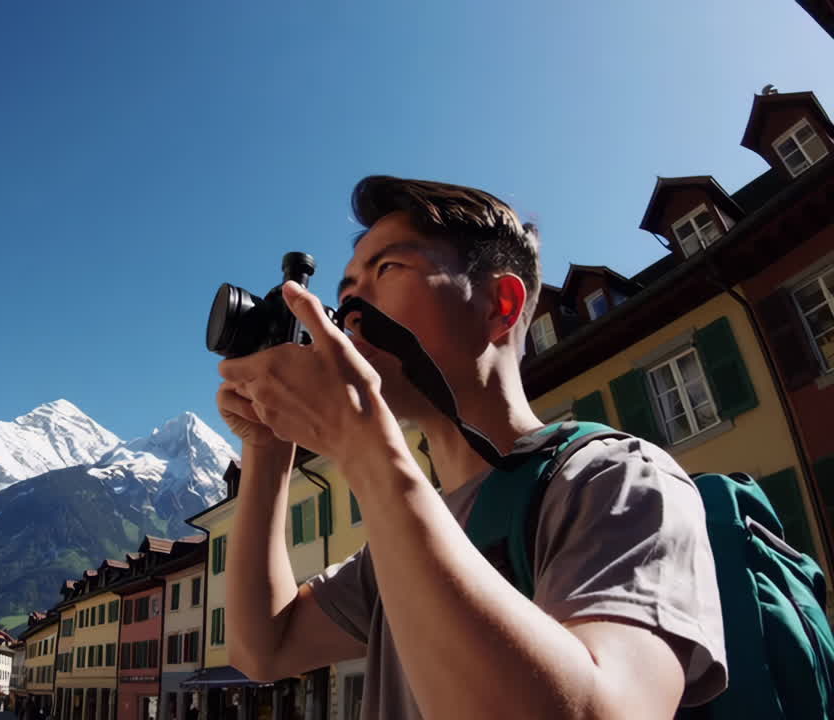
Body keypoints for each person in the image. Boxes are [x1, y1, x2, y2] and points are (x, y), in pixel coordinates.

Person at [217, 176, 727, 719]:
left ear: (499, 305)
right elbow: (263, 648)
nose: (347, 315)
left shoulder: (617, 481)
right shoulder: (406, 535)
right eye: (344, 294)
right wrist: (269, 448)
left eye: (387, 270)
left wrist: (362, 446)